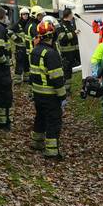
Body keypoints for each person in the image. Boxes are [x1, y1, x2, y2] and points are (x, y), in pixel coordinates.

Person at [29, 20, 67, 161]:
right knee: (53, 121)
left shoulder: (35, 50)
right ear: (51, 36)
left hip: (38, 93)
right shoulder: (51, 54)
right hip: (50, 95)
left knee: (40, 117)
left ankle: (36, 142)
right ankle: (51, 152)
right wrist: (62, 96)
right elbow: (56, 78)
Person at [56, 8, 80, 99]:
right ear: (69, 15)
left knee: (72, 70)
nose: (73, 15)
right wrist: (73, 33)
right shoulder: (60, 26)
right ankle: (66, 90)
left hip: (75, 51)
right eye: (72, 14)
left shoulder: (72, 23)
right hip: (66, 52)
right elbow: (62, 38)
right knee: (67, 71)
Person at [10, 7, 31, 84]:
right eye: (23, 14)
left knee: (27, 64)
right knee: (19, 64)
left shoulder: (29, 24)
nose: (25, 16)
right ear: (21, 15)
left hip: (28, 48)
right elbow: (9, 32)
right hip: (19, 48)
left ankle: (26, 79)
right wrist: (16, 38)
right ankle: (17, 80)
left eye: (26, 14)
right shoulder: (17, 24)